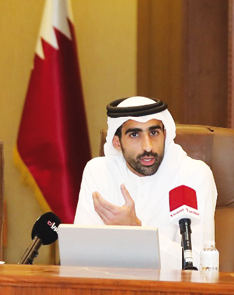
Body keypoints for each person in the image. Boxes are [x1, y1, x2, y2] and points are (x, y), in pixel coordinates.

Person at [74, 96, 217, 245]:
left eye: (154, 133)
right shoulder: (98, 172)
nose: (148, 147)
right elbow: (83, 247)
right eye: (134, 135)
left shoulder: (194, 175)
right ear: (117, 143)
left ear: (165, 135)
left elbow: (197, 257)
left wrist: (135, 228)